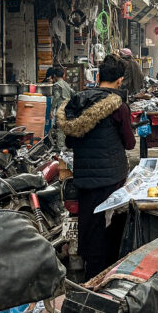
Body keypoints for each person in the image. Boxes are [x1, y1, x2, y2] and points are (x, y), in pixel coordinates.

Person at [58, 54, 136, 279]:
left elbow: (70, 140)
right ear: (120, 80)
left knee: (90, 229)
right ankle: (109, 278)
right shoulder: (118, 107)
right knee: (113, 229)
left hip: (84, 177)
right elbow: (130, 143)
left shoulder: (78, 101)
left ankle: (90, 277)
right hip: (111, 179)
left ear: (99, 76)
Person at [49, 66, 72, 149]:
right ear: (63, 75)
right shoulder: (66, 84)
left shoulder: (56, 85)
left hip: (61, 109)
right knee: (66, 127)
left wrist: (51, 110)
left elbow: (56, 97)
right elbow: (73, 93)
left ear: (55, 76)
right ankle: (67, 146)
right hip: (68, 108)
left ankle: (60, 148)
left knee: (60, 129)